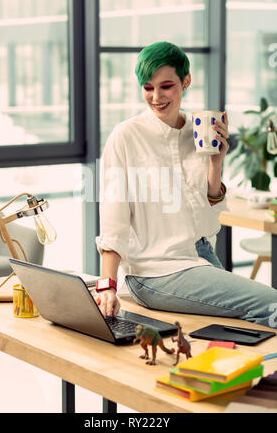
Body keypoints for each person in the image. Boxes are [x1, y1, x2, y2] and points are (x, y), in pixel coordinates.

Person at [95, 41, 277, 328]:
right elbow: (113, 222)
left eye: (166, 86)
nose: (156, 97)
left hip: (201, 257)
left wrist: (216, 163)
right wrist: (107, 285)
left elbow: (210, 214)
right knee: (273, 304)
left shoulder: (199, 129)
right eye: (147, 87)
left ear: (186, 81)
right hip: (157, 270)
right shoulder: (126, 136)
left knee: (248, 331)